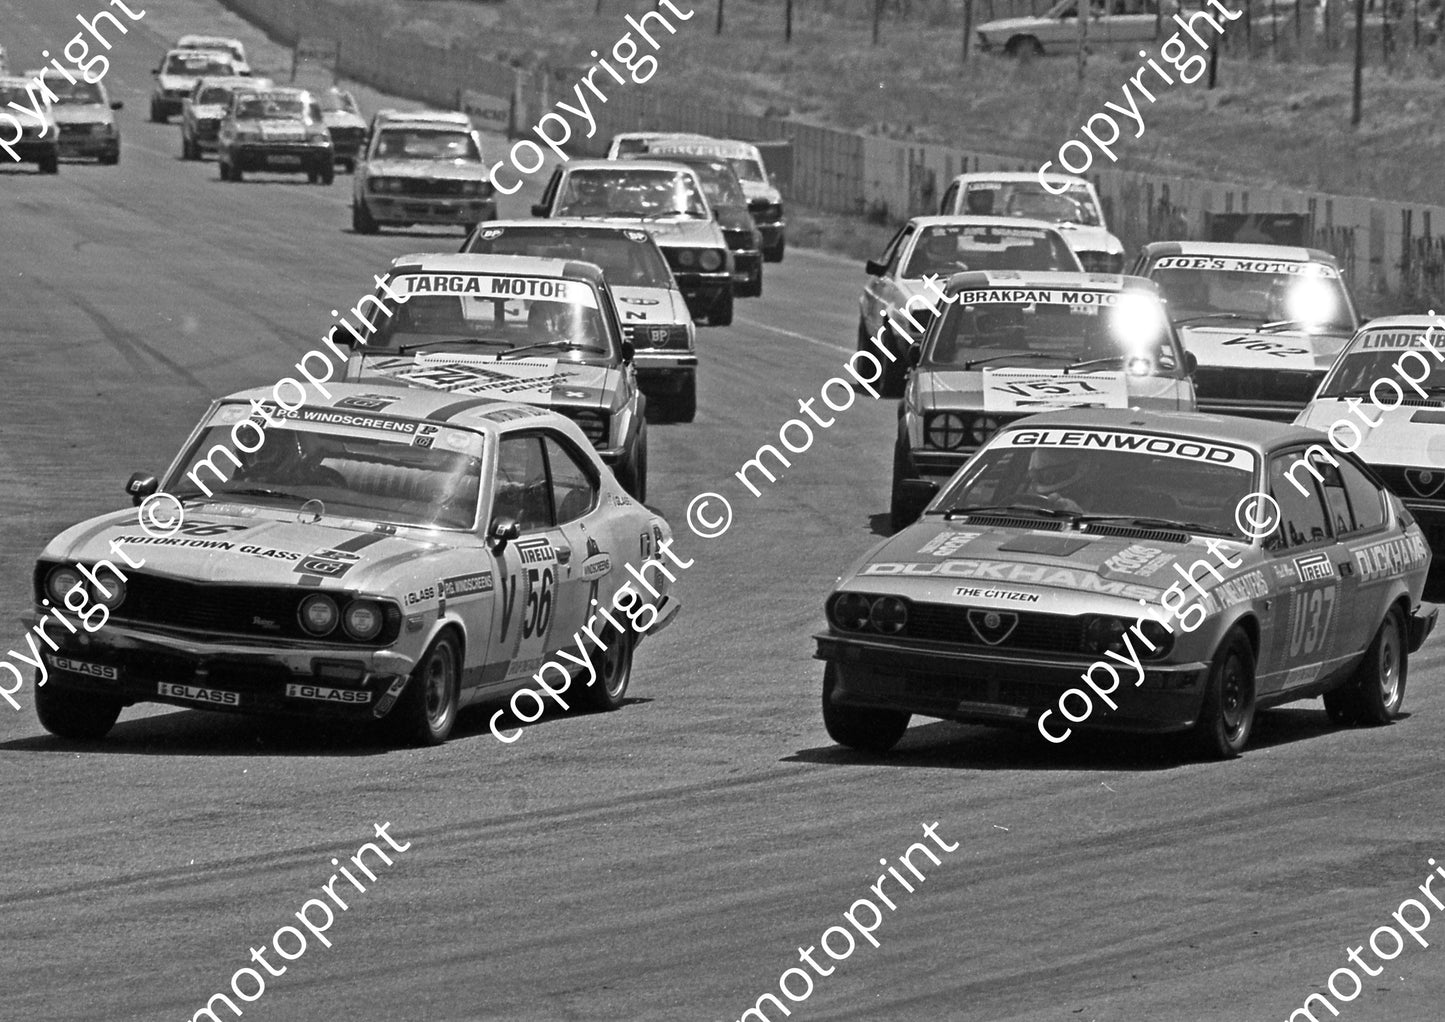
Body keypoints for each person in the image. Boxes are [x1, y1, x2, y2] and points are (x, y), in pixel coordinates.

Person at [1023, 449, 1094, 513]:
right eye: (1041, 475)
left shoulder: (1096, 503)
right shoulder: (1026, 497)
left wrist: (1076, 514)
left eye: (1050, 475)